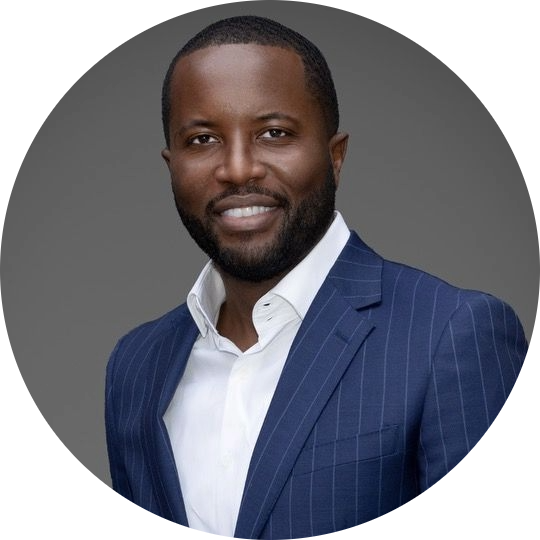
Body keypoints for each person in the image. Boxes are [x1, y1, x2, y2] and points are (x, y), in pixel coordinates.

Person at [105, 15, 527, 539]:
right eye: (203, 139)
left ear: (335, 156)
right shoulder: (135, 366)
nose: (237, 169)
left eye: (274, 133)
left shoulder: (451, 334)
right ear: (172, 166)